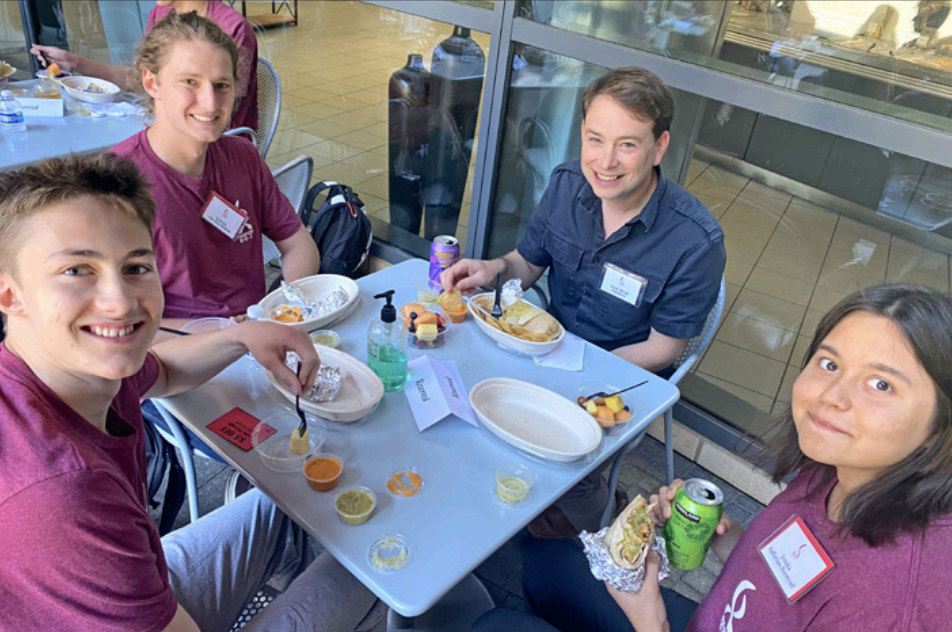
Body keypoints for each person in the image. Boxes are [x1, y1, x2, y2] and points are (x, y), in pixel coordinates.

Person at [0, 153, 385, 631]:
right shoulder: (58, 495)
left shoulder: (77, 371)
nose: (119, 303)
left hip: (137, 582)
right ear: (10, 295)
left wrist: (243, 336)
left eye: (136, 267)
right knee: (379, 571)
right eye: (77, 270)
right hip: (114, 582)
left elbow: (161, 372)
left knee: (285, 502)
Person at [472, 283, 952, 632]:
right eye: (829, 364)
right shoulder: (834, 473)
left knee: (494, 627)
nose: (832, 397)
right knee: (549, 562)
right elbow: (793, 574)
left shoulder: (891, 608)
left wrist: (651, 620)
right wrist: (717, 531)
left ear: (939, 428)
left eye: (881, 384)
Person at [442, 67, 725, 535]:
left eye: (627, 145)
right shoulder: (567, 184)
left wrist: (586, 378)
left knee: (553, 449)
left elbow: (664, 349)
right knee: (454, 389)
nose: (606, 162)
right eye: (595, 139)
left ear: (659, 147)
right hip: (545, 352)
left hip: (617, 377)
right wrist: (494, 269)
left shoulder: (695, 241)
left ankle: (598, 507)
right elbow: (526, 264)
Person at [112, 10, 317, 330]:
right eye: (189, 82)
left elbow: (299, 245)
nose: (210, 103)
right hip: (173, 355)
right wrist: (222, 337)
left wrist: (281, 312)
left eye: (221, 85)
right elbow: (115, 320)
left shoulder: (243, 158)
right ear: (152, 82)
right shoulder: (116, 183)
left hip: (255, 337)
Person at [30, 0, 258, 131]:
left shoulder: (232, 27)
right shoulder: (160, 14)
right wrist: (75, 62)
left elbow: (216, 111)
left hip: (213, 144)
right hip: (168, 134)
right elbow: (140, 79)